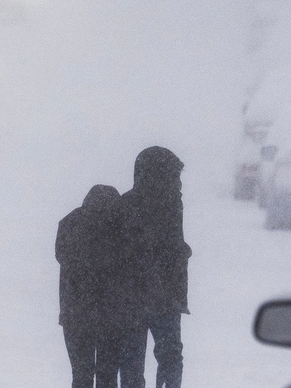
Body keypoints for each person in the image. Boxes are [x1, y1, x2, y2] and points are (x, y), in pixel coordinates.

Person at [117, 146, 192, 388]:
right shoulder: (170, 205)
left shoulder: (128, 204)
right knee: (169, 357)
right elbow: (166, 249)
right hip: (161, 296)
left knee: (132, 361)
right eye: (174, 176)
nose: (179, 184)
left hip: (135, 296)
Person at [57, 184, 130, 388]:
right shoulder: (118, 227)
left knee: (81, 375)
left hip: (75, 315)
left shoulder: (70, 223)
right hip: (111, 315)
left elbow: (62, 256)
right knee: (107, 376)